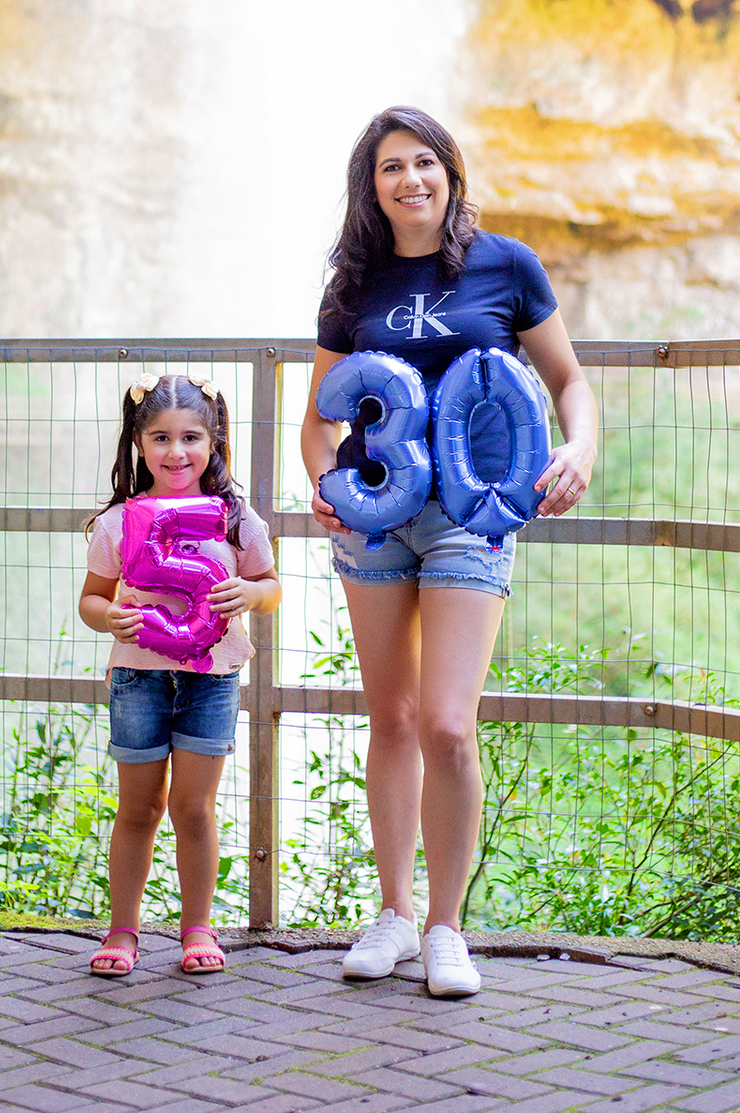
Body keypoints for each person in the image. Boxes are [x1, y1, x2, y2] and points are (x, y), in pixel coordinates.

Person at [302, 107, 597, 997]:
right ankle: (391, 915)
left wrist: (578, 448)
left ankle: (445, 928)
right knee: (388, 719)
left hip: (475, 513)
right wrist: (325, 489)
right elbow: (320, 417)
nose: (410, 180)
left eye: (424, 162)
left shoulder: (506, 265)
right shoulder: (352, 284)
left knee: (447, 724)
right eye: (392, 167)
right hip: (375, 519)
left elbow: (568, 379)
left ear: (449, 173)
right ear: (373, 186)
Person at [79, 372, 281, 976]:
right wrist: (108, 617)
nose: (176, 453)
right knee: (138, 808)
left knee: (193, 807)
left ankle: (198, 927)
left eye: (191, 438)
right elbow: (91, 599)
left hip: (210, 678)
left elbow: (271, 588)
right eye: (161, 438)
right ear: (139, 444)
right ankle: (123, 931)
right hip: (138, 678)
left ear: (214, 443)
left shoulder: (236, 519)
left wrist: (250, 592)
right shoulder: (119, 523)